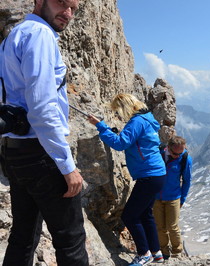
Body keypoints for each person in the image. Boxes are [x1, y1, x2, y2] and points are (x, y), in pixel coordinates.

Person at [0, 0, 89, 265]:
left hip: (15, 151)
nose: (68, 13)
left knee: (23, 236)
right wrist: (66, 164)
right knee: (71, 240)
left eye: (74, 8)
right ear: (40, 1)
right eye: (62, 3)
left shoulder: (14, 35)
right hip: (41, 154)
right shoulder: (40, 35)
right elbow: (41, 107)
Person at [88, 93, 166, 266]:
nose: (118, 114)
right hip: (157, 173)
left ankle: (144, 254)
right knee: (145, 214)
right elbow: (131, 140)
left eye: (118, 110)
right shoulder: (147, 118)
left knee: (130, 216)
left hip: (149, 174)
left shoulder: (136, 122)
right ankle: (156, 252)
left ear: (125, 107)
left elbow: (120, 144)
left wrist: (100, 127)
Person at [153, 135, 192, 259]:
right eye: (175, 154)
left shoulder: (185, 158)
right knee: (160, 227)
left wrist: (183, 199)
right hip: (156, 196)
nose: (177, 156)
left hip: (174, 197)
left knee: (172, 226)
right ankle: (164, 252)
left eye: (180, 153)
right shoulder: (158, 153)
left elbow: (186, 180)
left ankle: (177, 252)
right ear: (168, 148)